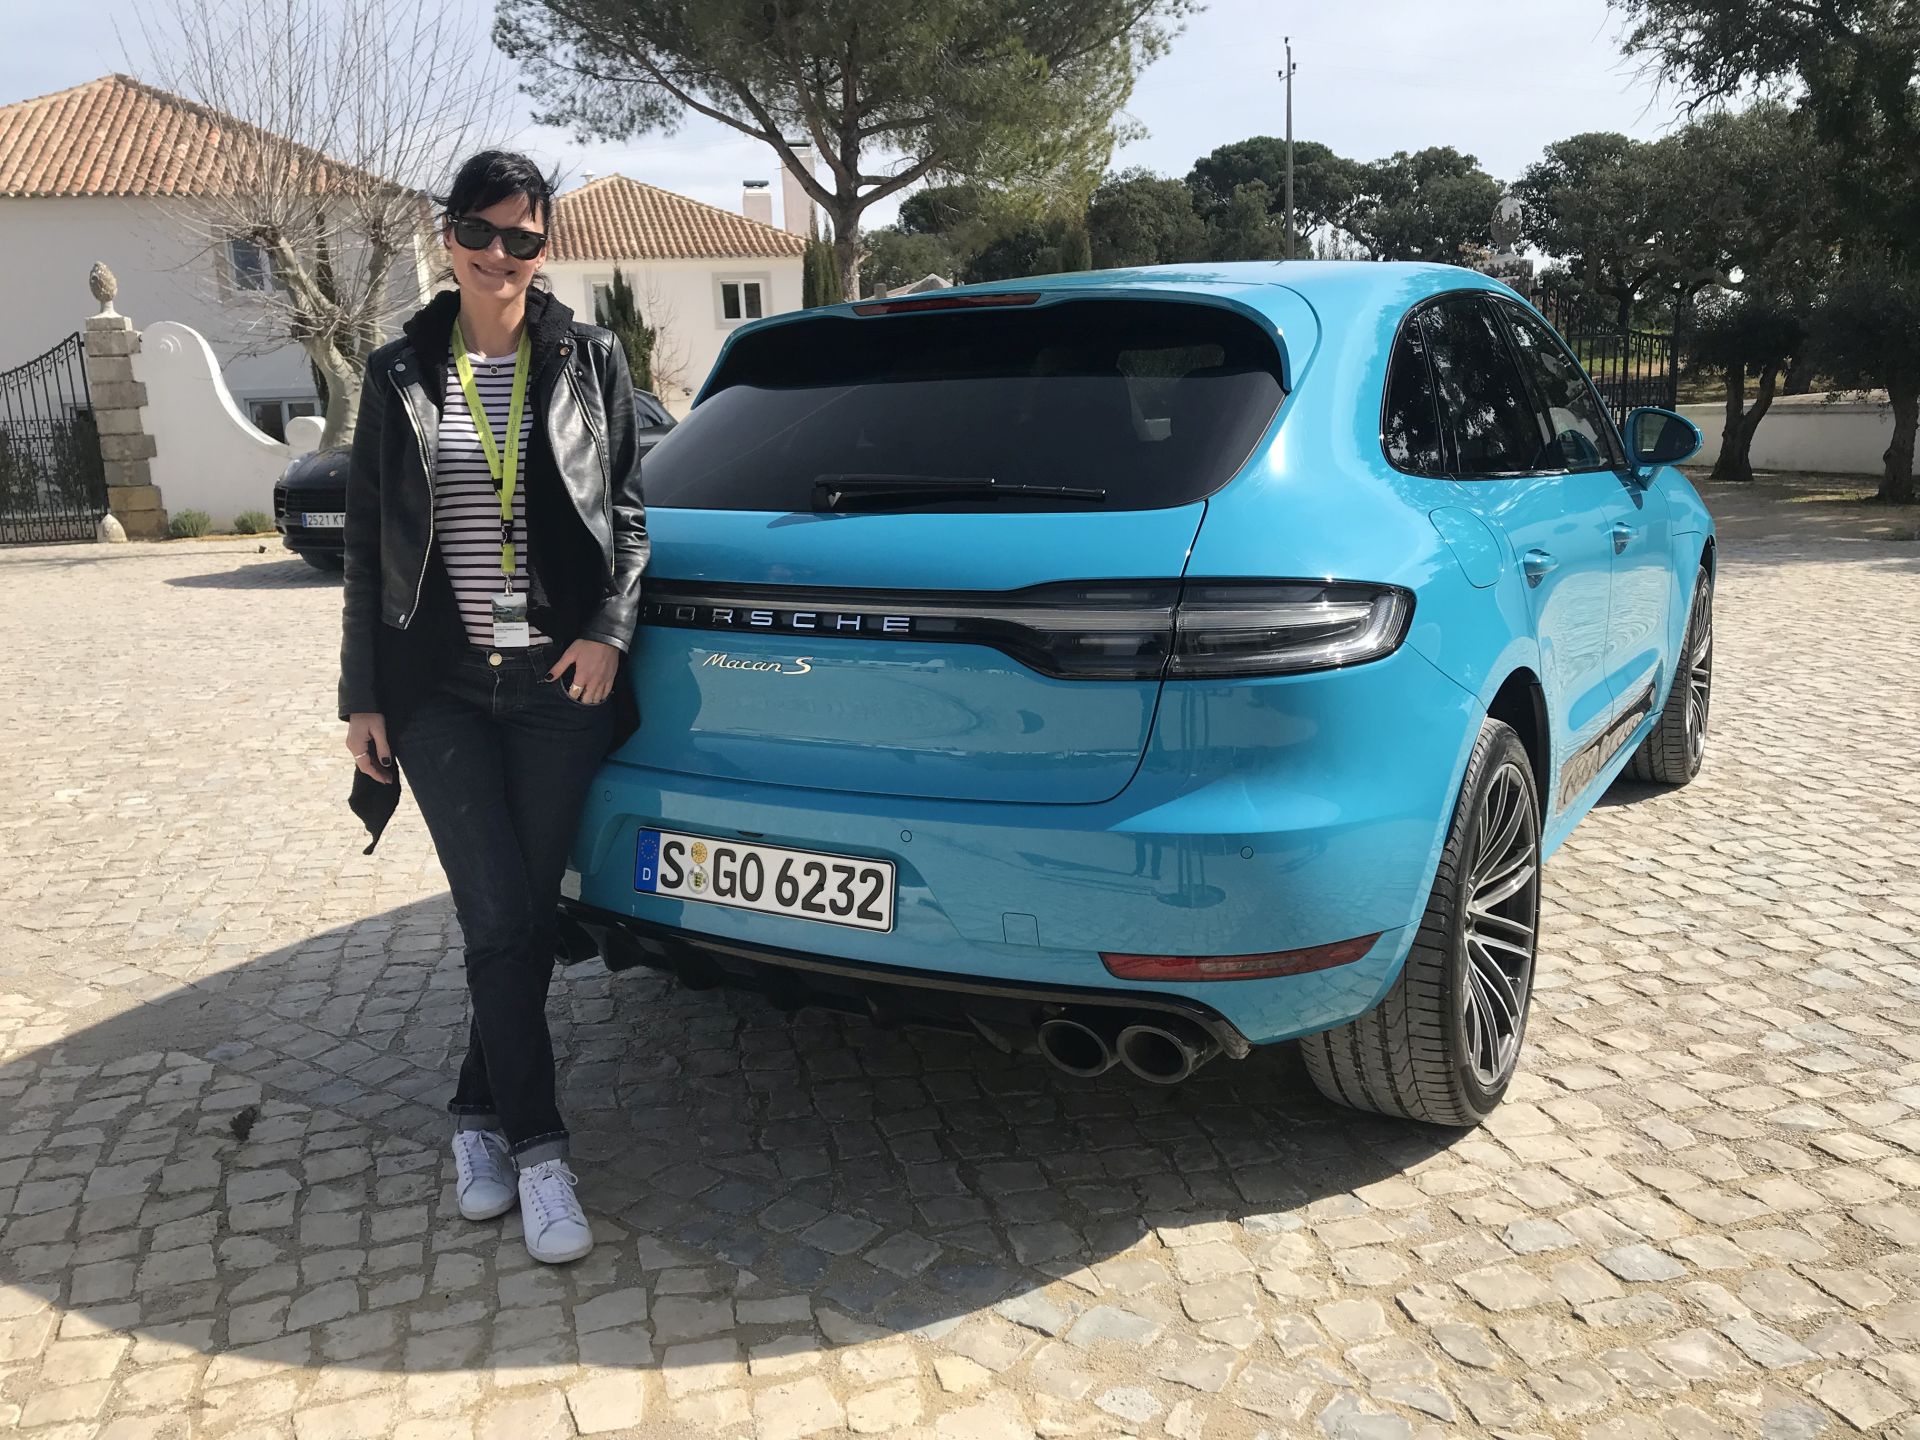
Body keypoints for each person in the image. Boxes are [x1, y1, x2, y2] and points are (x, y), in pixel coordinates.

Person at [338, 149, 647, 1264]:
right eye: (480, 231)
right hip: (442, 692)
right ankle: (541, 1152)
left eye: (522, 238)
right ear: (449, 234)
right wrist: (361, 696)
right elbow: (369, 547)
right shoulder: (398, 373)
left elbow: (628, 516)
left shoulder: (589, 358)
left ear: (544, 248)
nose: (499, 255)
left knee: (520, 918)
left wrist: (609, 630)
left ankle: (476, 1118)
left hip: (560, 686)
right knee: (499, 918)